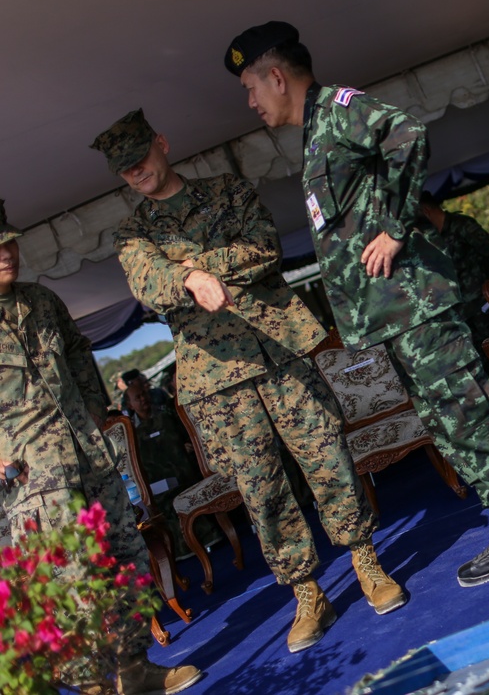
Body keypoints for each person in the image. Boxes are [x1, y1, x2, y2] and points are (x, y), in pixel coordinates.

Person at [223, 20, 489, 609]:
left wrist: (393, 226)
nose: (252, 102)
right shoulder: (316, 133)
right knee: (447, 423)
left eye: (251, 89)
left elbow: (407, 135)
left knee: (471, 413)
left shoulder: (340, 109)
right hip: (392, 315)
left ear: (276, 76)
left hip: (417, 301)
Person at [91, 109, 405, 654]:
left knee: (326, 456)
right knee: (261, 489)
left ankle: (366, 562)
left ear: (162, 143)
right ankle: (307, 594)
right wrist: (188, 277)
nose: (137, 171)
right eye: (125, 170)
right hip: (216, 374)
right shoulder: (133, 232)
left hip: (279, 347)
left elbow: (264, 246)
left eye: (141, 158)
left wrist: (200, 267)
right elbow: (148, 280)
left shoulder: (228, 190)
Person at [0, 205, 202, 693]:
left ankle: (136, 669)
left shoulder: (41, 300)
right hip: (34, 480)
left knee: (126, 558)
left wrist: (94, 408)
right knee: (70, 584)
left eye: (8, 242)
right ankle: (93, 685)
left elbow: (77, 352)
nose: (6, 254)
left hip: (90, 458)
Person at [123, 376, 224, 558]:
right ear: (130, 405)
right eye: (137, 397)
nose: (144, 399)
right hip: (157, 484)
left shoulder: (167, 414)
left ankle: (209, 537)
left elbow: (188, 435)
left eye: (144, 394)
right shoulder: (130, 433)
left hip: (185, 475)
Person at [417, 192, 489, 363]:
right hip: (464, 314)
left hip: (486, 308)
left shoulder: (462, 226)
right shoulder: (433, 239)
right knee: (485, 362)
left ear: (425, 211)